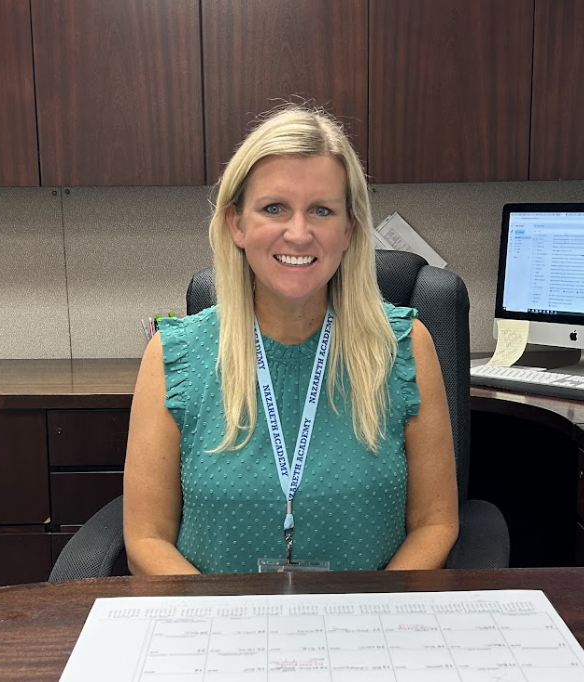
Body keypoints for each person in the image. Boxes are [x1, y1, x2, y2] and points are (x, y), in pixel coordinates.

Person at [123, 105, 458, 574]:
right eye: (274, 208)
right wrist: (222, 629)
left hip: (366, 630)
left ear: (348, 231)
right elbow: (145, 537)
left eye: (321, 210)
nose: (298, 233)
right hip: (218, 633)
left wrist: (373, 617)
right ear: (236, 224)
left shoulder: (403, 348)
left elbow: (435, 524)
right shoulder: (173, 356)